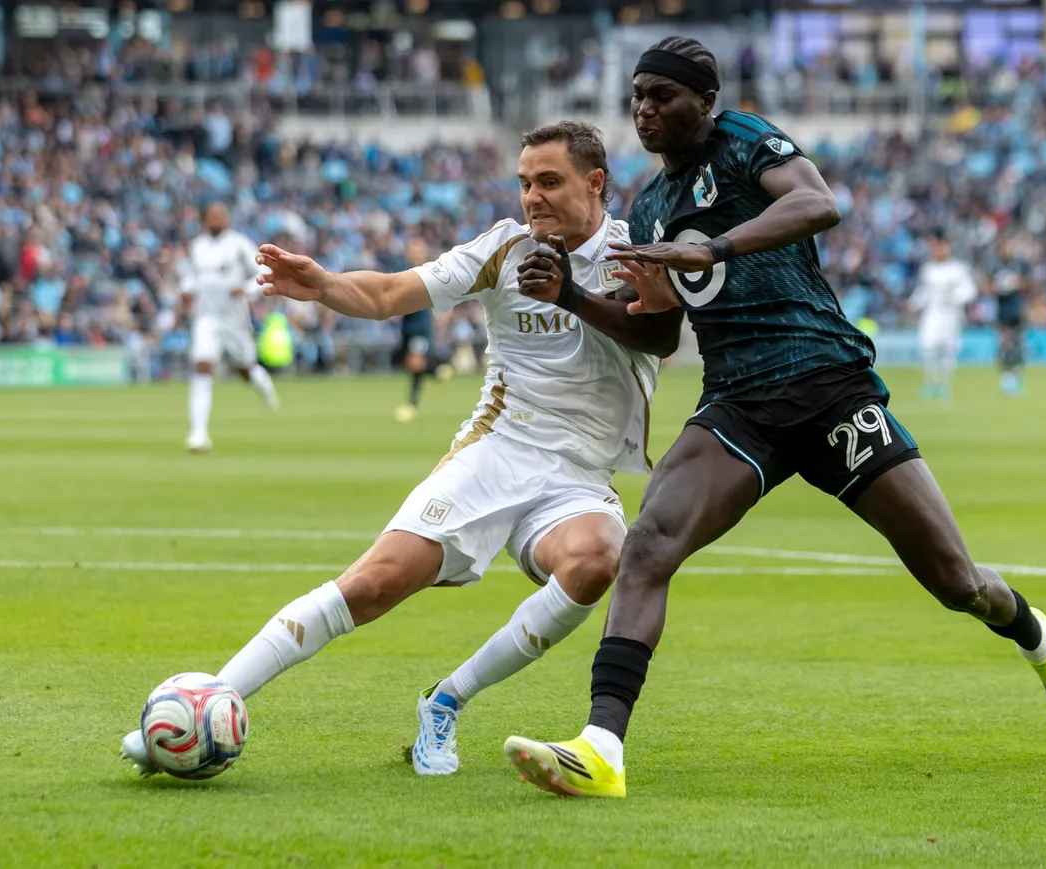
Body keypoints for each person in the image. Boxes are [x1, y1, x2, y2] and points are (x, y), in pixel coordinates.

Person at [503, 37, 1046, 800]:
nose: (645, 110)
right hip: (739, 404)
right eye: (638, 98)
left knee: (955, 581)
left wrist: (712, 247)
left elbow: (820, 203)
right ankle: (602, 745)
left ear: (704, 101)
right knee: (648, 542)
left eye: (662, 95)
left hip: (828, 387)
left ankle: (1033, 634)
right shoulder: (651, 204)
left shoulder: (745, 141)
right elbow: (659, 330)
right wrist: (575, 300)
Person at [119, 121, 683, 777]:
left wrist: (576, 294)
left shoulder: (635, 253)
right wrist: (325, 284)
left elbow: (660, 337)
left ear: (595, 183)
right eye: (525, 183)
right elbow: (391, 293)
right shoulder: (500, 250)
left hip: (578, 475)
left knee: (596, 560)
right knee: (372, 584)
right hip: (494, 452)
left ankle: (445, 701)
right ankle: (208, 700)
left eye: (549, 181)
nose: (532, 197)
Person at [179, 202, 280, 453]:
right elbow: (193, 276)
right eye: (212, 216)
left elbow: (263, 272)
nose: (216, 220)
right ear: (204, 220)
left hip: (234, 320)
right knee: (203, 366)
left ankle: (265, 389)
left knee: (245, 369)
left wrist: (245, 289)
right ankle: (198, 434)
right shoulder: (197, 246)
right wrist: (186, 290)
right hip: (207, 318)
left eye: (220, 216)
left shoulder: (239, 244)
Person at [909, 229, 977, 401]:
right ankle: (930, 383)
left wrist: (954, 297)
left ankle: (945, 386)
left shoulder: (958, 268)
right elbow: (922, 292)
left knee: (949, 351)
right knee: (928, 348)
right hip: (931, 315)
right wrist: (913, 303)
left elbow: (969, 291)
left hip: (951, 316)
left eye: (942, 246)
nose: (938, 250)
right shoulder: (928, 269)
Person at [392, 236, 454, 423]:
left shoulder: (431, 271)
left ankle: (413, 401)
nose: (413, 253)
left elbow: (447, 290)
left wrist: (446, 311)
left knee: (415, 364)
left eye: (417, 250)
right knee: (407, 363)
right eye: (411, 250)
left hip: (419, 328)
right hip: (407, 326)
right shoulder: (406, 271)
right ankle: (437, 371)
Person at [990, 238, 1030, 395]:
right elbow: (988, 286)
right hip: (1002, 310)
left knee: (1018, 344)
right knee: (1004, 344)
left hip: (1017, 310)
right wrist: (998, 286)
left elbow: (1029, 285)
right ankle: (1006, 376)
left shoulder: (1020, 265)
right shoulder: (995, 266)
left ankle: (1018, 376)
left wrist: (1017, 284)